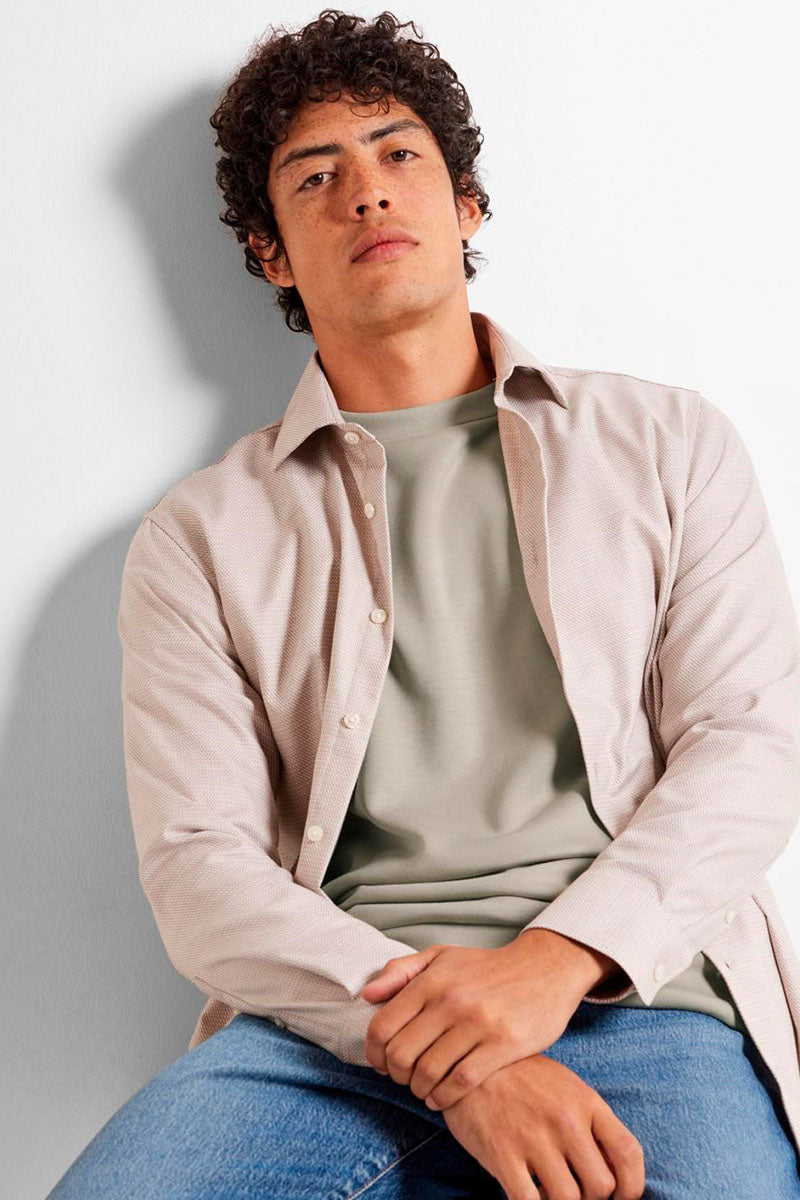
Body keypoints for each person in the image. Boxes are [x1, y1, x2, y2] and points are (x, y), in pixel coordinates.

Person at [48, 9, 800, 1199]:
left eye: (398, 153)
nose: (365, 191)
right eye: (316, 176)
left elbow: (749, 748)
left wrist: (549, 964)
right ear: (270, 253)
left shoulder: (665, 445)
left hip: (636, 993)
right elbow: (199, 867)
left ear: (466, 207)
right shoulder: (200, 537)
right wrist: (452, 1055)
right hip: (330, 1028)